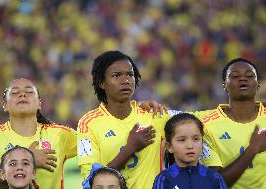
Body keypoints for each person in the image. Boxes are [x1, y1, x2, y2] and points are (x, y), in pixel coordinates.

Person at [140, 58, 266, 188]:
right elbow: (214, 183)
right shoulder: (205, 122)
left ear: (258, 85)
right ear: (224, 86)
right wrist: (139, 105)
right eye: (234, 76)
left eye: (250, 76)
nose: (243, 79)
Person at [77, 50, 171, 189]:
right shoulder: (88, 123)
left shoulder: (154, 114)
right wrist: (130, 148)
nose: (126, 80)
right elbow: (90, 182)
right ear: (102, 82)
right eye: (117, 75)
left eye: (130, 75)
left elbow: (195, 123)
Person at [0, 78, 78, 189]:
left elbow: (97, 146)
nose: (22, 94)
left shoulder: (61, 134)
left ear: (39, 104)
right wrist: (28, 159)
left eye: (29, 92)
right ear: (5, 105)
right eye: (15, 92)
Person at [153, 113, 227, 189]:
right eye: (182, 140)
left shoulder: (215, 178)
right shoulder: (164, 179)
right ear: (170, 147)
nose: (190, 146)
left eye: (196, 139)